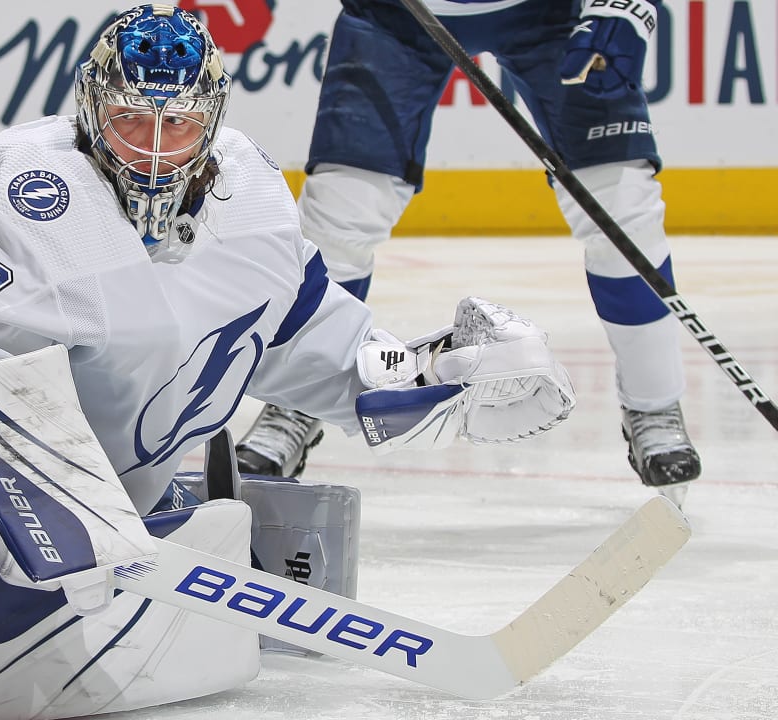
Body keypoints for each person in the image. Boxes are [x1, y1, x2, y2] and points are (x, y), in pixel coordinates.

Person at [0, 6, 575, 719]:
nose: (156, 148)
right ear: (92, 112)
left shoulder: (249, 191)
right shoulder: (34, 187)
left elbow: (299, 335)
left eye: (179, 125)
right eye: (134, 120)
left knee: (119, 562)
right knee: (25, 581)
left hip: (88, 457)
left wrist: (433, 375)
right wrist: (18, 484)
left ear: (212, 118)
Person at [236, 0, 701, 504]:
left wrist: (627, 8)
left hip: (552, 16)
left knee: (620, 205)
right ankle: (293, 406)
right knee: (341, 212)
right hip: (395, 16)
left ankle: (654, 405)